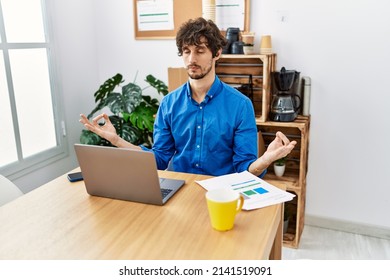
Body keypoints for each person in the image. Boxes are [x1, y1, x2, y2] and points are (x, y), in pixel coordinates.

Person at [80, 17, 296, 177]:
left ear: (217, 53)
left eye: (200, 50)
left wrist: (265, 160)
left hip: (220, 195)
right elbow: (160, 160)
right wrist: (116, 140)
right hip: (179, 190)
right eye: (186, 51)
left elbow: (244, 169)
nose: (192, 58)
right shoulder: (169, 104)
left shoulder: (240, 106)